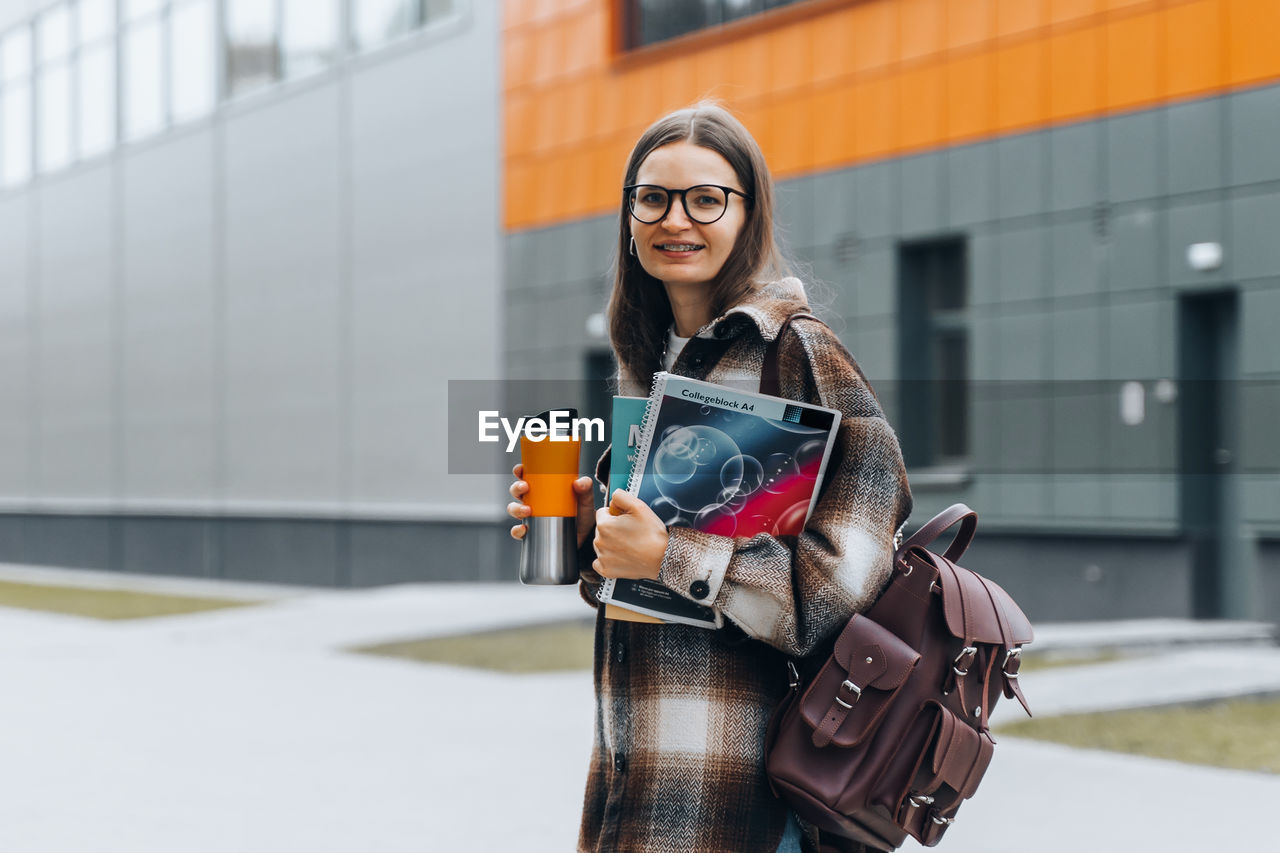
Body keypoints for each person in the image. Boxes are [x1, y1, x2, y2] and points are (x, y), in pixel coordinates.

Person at [507, 102, 912, 853]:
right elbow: (659, 596)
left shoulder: (796, 353)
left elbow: (848, 586)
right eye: (653, 197)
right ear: (629, 217)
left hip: (749, 809)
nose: (675, 219)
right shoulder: (656, 362)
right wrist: (601, 533)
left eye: (706, 198)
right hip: (645, 794)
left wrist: (669, 555)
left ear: (747, 214)